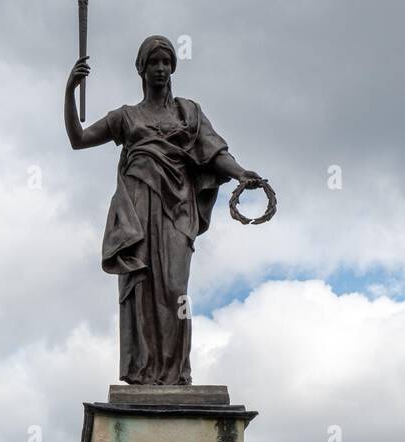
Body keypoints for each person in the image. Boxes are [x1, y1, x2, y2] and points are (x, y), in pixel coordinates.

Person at [65, 35, 264, 386]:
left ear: (172, 68)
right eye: (154, 63)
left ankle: (176, 373)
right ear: (141, 69)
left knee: (176, 288)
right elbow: (78, 139)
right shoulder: (127, 117)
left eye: (166, 63)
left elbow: (213, 152)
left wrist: (240, 172)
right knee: (141, 286)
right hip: (138, 205)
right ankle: (144, 371)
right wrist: (70, 91)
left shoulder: (188, 113)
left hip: (178, 207)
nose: (160, 69)